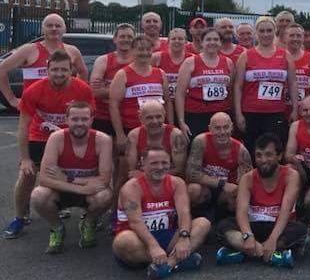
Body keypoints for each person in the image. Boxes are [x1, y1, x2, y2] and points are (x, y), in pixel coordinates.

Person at [5, 51, 95, 240]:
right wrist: (25, 159)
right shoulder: (34, 90)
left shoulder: (82, 89)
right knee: (27, 175)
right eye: (55, 70)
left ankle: (85, 213)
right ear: (47, 70)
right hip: (40, 136)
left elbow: (88, 121)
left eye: (64, 70)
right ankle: (20, 217)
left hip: (71, 137)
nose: (59, 74)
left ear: (71, 70)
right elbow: (23, 126)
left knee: (76, 174)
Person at [113, 148, 210, 278]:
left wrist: (184, 237)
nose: (160, 167)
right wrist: (153, 246)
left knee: (203, 223)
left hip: (169, 236)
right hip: (139, 240)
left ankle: (168, 264)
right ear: (143, 163)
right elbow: (135, 222)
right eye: (154, 163)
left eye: (164, 163)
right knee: (122, 241)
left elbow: (184, 213)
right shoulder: (131, 188)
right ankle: (179, 260)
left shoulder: (177, 183)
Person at [29, 101, 112, 252]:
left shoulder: (103, 140)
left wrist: (67, 178)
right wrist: (82, 189)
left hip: (84, 190)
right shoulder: (56, 138)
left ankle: (88, 222)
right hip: (68, 190)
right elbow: (44, 179)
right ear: (66, 120)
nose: (79, 123)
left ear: (92, 120)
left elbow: (104, 180)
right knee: (38, 195)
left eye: (84, 119)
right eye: (74, 119)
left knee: (105, 195)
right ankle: (57, 227)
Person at [215, 133, 306, 268]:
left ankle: (243, 252)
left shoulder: (291, 175)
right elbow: (241, 211)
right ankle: (272, 255)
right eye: (259, 155)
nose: (263, 160)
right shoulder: (247, 178)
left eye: (269, 155)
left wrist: (273, 239)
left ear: (279, 156)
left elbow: (286, 211)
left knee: (301, 230)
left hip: (279, 226)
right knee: (223, 226)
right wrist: (247, 235)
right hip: (254, 226)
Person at [109, 35, 172, 184]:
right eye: (140, 49)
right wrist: (120, 134)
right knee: (126, 174)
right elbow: (113, 105)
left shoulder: (160, 73)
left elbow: (168, 102)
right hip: (132, 129)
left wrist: (171, 125)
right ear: (132, 51)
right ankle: (118, 206)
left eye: (147, 49)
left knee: (157, 170)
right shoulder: (123, 74)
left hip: (157, 130)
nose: (144, 53)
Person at [233, 16, 299, 153]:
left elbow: (292, 84)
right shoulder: (246, 56)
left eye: (269, 30)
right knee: (252, 150)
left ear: (275, 31)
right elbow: (238, 87)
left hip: (276, 113)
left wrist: (295, 109)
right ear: (256, 33)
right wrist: (238, 114)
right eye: (262, 31)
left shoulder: (285, 55)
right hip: (251, 113)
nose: (265, 34)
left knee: (274, 151)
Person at [0, 14, 87, 109]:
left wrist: (76, 96)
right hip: (33, 110)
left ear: (64, 29)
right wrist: (12, 100)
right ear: (42, 29)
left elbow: (83, 72)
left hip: (62, 110)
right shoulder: (29, 50)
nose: (54, 28)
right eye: (49, 25)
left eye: (58, 26)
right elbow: (1, 69)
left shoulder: (72, 51)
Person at [185, 113, 252, 217]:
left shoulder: (241, 151)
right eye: (217, 128)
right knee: (193, 189)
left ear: (232, 127)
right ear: (210, 129)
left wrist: (234, 189)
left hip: (226, 192)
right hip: (205, 188)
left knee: (239, 194)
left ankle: (227, 222)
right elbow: (191, 174)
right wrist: (222, 184)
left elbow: (247, 182)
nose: (222, 132)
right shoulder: (201, 141)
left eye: (226, 127)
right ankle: (193, 218)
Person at [174, 29, 234, 138]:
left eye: (216, 39)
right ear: (202, 42)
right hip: (196, 114)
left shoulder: (228, 62)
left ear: (220, 42)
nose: (212, 42)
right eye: (208, 39)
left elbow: (231, 91)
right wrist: (181, 121)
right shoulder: (190, 62)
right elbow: (180, 94)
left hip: (222, 114)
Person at [124, 101, 189, 183]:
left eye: (158, 117)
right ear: (141, 118)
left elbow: (179, 169)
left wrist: (148, 175)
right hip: (143, 182)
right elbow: (131, 170)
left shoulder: (175, 135)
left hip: (169, 181)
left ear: (164, 115)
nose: (155, 121)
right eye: (149, 118)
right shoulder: (134, 135)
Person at [90, 24, 136, 136]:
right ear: (115, 39)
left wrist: (108, 88)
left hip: (131, 118)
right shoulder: (103, 60)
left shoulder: (140, 60)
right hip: (104, 117)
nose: (126, 40)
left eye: (129, 37)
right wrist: (129, 89)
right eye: (122, 36)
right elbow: (95, 92)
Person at [285, 25, 310, 114]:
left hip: (304, 111)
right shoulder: (279, 56)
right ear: (286, 37)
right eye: (292, 36)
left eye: (298, 36)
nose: (295, 39)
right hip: (281, 109)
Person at [151, 28, 191, 110]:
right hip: (163, 104)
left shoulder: (192, 59)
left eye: (180, 39)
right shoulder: (157, 57)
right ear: (168, 42)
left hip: (186, 104)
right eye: (173, 39)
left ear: (186, 42)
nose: (177, 41)